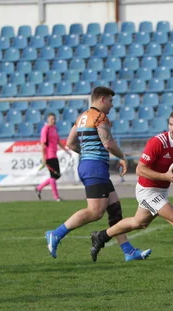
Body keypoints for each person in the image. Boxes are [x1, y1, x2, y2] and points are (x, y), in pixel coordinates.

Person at [89, 109, 173, 273]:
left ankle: (101, 236)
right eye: (170, 124)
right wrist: (165, 176)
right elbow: (140, 170)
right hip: (147, 189)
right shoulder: (157, 142)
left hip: (162, 190)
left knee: (139, 222)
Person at [45, 86, 151, 262]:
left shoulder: (81, 117)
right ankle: (56, 234)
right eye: (110, 101)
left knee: (115, 210)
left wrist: (87, 154)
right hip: (95, 168)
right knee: (95, 212)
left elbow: (71, 143)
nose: (111, 105)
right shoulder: (100, 117)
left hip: (89, 165)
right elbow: (108, 143)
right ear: (101, 99)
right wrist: (123, 157)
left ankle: (129, 251)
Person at [35, 113, 71, 202]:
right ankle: (56, 197)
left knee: (56, 175)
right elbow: (43, 144)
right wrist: (43, 157)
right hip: (49, 155)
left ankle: (39, 188)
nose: (53, 121)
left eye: (54, 119)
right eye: (51, 119)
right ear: (48, 120)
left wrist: (66, 150)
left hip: (54, 154)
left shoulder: (54, 129)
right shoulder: (45, 129)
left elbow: (58, 141)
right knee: (53, 176)